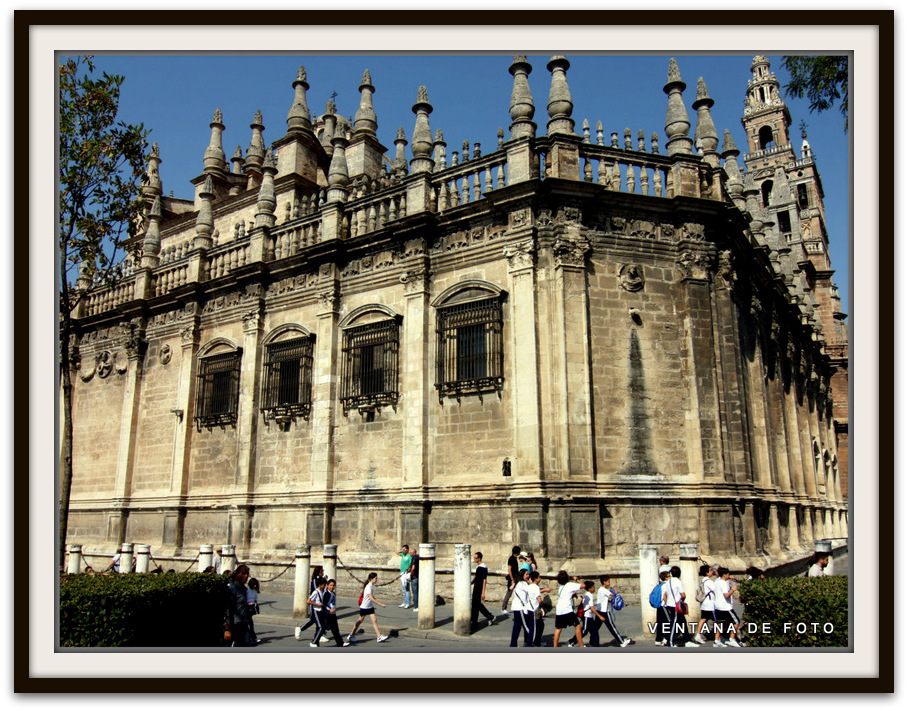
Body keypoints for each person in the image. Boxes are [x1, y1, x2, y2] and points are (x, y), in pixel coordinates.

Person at [346, 572, 389, 645]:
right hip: (364, 607)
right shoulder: (368, 586)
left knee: (374, 620)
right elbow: (371, 598)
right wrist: (380, 604)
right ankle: (351, 635)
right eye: (375, 578)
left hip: (369, 606)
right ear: (371, 579)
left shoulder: (371, 586)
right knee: (360, 621)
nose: (376, 580)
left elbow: (371, 596)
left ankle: (379, 636)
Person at [663, 565, 698, 647]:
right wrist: (682, 600)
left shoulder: (668, 582)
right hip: (676, 605)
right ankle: (669, 641)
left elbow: (665, 594)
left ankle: (687, 640)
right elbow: (683, 594)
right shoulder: (678, 582)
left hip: (670, 604)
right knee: (674, 623)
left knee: (682, 622)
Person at [595, 575, 631, 647]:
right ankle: (621, 642)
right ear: (604, 582)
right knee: (612, 627)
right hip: (604, 611)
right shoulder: (604, 590)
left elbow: (603, 599)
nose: (609, 582)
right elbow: (615, 595)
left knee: (595, 628)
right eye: (608, 581)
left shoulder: (600, 590)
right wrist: (614, 588)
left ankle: (592, 642)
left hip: (599, 611)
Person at [552, 570, 584, 647]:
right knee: (578, 625)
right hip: (567, 609)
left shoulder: (561, 588)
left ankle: (555, 647)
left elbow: (564, 596)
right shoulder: (570, 585)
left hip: (559, 610)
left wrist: (572, 595)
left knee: (558, 628)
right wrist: (577, 579)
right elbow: (583, 585)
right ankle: (581, 645)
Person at [713, 567, 742, 647]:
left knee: (720, 623)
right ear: (724, 574)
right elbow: (726, 595)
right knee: (736, 622)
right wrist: (732, 590)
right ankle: (732, 639)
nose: (729, 576)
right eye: (728, 574)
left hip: (718, 606)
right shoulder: (723, 583)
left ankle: (716, 640)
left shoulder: (716, 582)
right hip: (725, 607)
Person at [295, 565, 324, 641]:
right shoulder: (315, 581)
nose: (323, 572)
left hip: (320, 604)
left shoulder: (322, 579)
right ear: (319, 572)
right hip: (314, 604)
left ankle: (319, 634)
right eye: (322, 571)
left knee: (316, 620)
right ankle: (301, 629)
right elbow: (316, 591)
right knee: (315, 620)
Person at [225, 564, 251, 647]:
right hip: (234, 626)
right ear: (237, 574)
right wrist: (227, 629)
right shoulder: (232, 589)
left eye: (247, 574)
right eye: (243, 573)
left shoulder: (244, 589)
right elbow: (228, 609)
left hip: (244, 625)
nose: (246, 576)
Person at [509, 569, 535, 647]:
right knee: (527, 626)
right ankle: (530, 642)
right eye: (526, 574)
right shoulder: (523, 584)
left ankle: (513, 644)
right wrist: (532, 584)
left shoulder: (519, 583)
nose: (528, 576)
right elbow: (532, 591)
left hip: (516, 607)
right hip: (520, 608)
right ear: (522, 575)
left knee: (517, 627)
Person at [471, 551, 497, 628]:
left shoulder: (483, 567)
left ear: (479, 558)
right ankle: (474, 621)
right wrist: (471, 582)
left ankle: (489, 616)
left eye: (475, 558)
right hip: (476, 586)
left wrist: (483, 592)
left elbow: (484, 580)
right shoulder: (478, 567)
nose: (474, 559)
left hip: (479, 587)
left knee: (477, 604)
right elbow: (477, 577)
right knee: (474, 604)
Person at [694, 565, 717, 645]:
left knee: (703, 619)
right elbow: (715, 590)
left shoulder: (703, 580)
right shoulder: (709, 582)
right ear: (707, 573)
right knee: (716, 621)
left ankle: (698, 635)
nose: (712, 572)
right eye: (710, 570)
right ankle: (718, 637)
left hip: (704, 604)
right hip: (710, 605)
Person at [528, 571, 551, 646]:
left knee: (537, 625)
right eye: (539, 577)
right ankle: (535, 643)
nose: (540, 578)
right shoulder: (536, 587)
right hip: (535, 609)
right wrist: (543, 606)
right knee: (538, 627)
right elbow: (539, 599)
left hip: (529, 608)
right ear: (536, 578)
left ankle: (535, 642)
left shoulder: (530, 586)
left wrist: (543, 590)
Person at [320, 579, 345, 647]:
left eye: (333, 585)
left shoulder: (333, 593)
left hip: (332, 614)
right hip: (327, 614)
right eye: (330, 585)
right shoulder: (326, 594)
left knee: (335, 629)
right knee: (324, 628)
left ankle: (340, 643)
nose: (332, 587)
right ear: (327, 586)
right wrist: (329, 610)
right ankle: (315, 640)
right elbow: (324, 604)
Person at [307, 576, 328, 647]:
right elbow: (308, 601)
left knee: (321, 627)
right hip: (316, 611)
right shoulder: (315, 592)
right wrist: (317, 604)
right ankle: (313, 642)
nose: (324, 586)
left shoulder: (321, 591)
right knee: (321, 627)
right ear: (320, 584)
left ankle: (316, 642)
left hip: (320, 611)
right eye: (324, 585)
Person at [501, 545, 521, 612]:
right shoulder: (511, 558)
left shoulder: (514, 558)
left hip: (516, 577)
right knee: (509, 593)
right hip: (512, 578)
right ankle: (503, 607)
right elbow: (509, 569)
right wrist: (512, 579)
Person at [654, 569, 672, 646]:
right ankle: (667, 638)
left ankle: (658, 639)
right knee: (669, 622)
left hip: (659, 606)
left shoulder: (660, 585)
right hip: (664, 606)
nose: (670, 577)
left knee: (660, 623)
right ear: (665, 578)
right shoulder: (666, 585)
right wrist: (668, 605)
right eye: (668, 576)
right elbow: (665, 595)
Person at [577, 581, 598, 646]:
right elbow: (592, 608)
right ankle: (572, 641)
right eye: (593, 587)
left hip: (590, 616)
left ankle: (595, 645)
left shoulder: (587, 594)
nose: (594, 588)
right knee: (584, 631)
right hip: (587, 616)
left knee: (594, 631)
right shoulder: (589, 596)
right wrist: (599, 616)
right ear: (590, 589)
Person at [247, 577, 261, 645]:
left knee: (250, 624)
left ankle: (252, 638)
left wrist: (256, 605)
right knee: (249, 624)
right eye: (254, 585)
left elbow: (255, 600)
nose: (255, 586)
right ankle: (252, 638)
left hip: (252, 608)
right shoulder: (247, 591)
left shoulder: (255, 591)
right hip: (247, 608)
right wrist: (249, 604)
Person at [409, 547, 420, 612]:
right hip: (419, 577)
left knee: (415, 592)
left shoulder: (414, 558)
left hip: (414, 577)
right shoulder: (419, 557)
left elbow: (413, 567)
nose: (410, 553)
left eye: (411, 552)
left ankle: (416, 606)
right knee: (419, 592)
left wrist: (410, 573)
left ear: (414, 552)